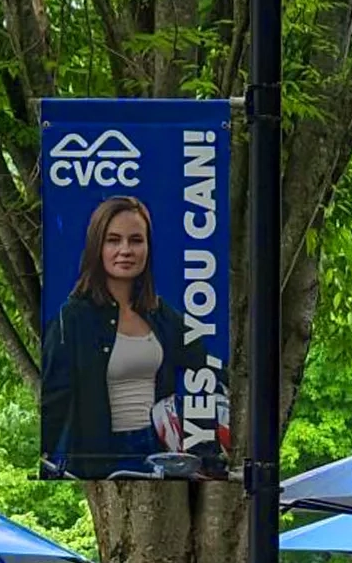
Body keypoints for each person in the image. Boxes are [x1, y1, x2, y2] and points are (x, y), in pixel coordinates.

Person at [37, 195, 220, 479]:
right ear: (97, 246)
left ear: (148, 247)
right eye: (113, 240)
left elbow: (209, 365)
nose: (125, 250)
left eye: (136, 240)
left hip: (158, 453)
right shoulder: (72, 317)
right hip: (102, 459)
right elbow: (53, 400)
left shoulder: (160, 313)